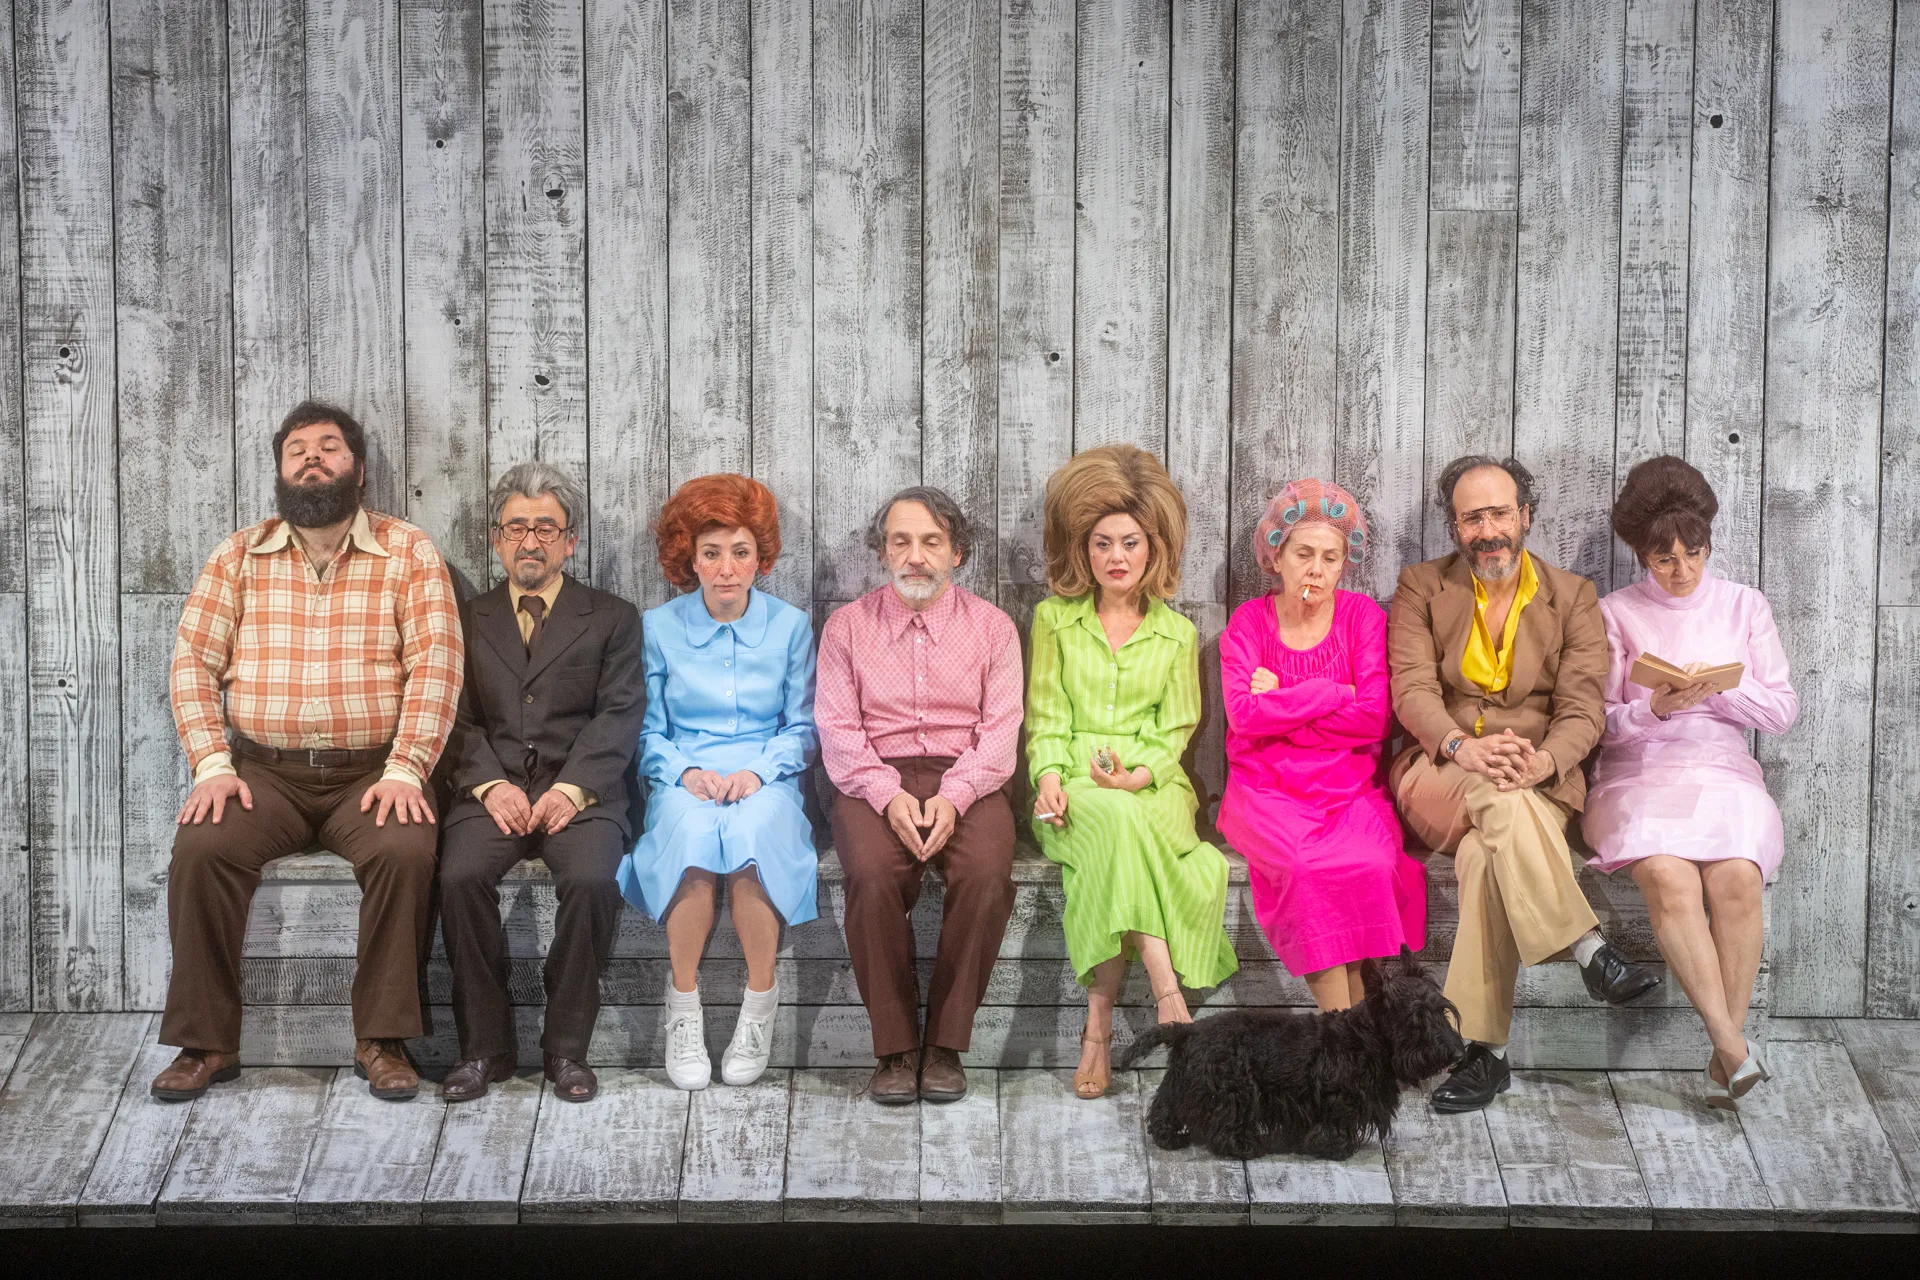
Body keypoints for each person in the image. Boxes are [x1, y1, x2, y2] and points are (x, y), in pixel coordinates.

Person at [153, 401, 463, 1103]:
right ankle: (206, 1044)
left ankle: (383, 1041)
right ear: (281, 470)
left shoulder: (408, 551)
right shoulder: (237, 555)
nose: (312, 458)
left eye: (329, 447)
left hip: (374, 773)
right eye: (298, 449)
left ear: (358, 473)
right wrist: (211, 764)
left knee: (406, 850)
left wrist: (407, 767)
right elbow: (192, 663)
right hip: (264, 773)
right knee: (202, 848)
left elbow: (436, 665)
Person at [1388, 455, 1660, 1113]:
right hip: (1439, 771)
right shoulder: (1421, 587)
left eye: (1499, 513)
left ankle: (1486, 1054)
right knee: (1490, 793)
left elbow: (1581, 711)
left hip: (1534, 782)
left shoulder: (1573, 597)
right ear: (1455, 527)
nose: (1489, 530)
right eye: (1472, 516)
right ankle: (1587, 945)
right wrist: (1462, 746)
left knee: (1488, 853)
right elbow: (1412, 688)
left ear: (1525, 516)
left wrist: (1542, 764)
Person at [1027, 444, 1237, 1102]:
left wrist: (1138, 776)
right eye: (1101, 544)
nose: (1116, 557)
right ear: (1081, 550)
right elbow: (1045, 717)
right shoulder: (1054, 620)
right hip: (1077, 788)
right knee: (1112, 822)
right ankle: (1166, 989)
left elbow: (1175, 728)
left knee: (1125, 823)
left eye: (1130, 543)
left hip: (1154, 786)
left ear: (1155, 548)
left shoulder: (1176, 634)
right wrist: (1049, 778)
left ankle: (1098, 1028)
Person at [1586, 456, 1797, 1109]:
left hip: (1723, 767)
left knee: (1737, 877)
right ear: (1640, 554)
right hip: (1637, 774)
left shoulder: (1744, 605)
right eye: (1664, 560)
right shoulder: (1613, 612)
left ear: (1708, 544)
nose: (1682, 572)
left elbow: (1783, 711)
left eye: (1694, 555)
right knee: (1671, 876)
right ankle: (1732, 1048)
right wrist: (1658, 707)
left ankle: (1724, 1052)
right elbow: (1595, 722)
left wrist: (1718, 693)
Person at [436, 463, 645, 1105]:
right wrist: (487, 785)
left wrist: (573, 789)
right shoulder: (464, 617)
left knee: (591, 881)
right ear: (497, 539)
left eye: (546, 528)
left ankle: (565, 1049)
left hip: (580, 794)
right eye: (517, 527)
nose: (531, 541)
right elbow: (452, 715)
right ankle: (485, 1048)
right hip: (490, 790)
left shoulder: (611, 616)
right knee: (458, 878)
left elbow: (620, 712)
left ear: (570, 540)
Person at [817, 488, 1023, 1105]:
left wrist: (955, 795)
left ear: (957, 552)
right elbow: (837, 729)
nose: (916, 556)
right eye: (901, 541)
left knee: (987, 872)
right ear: (881, 552)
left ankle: (945, 1046)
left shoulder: (993, 628)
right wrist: (886, 794)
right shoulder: (847, 627)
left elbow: (1002, 730)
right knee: (874, 873)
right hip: (871, 776)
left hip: (971, 776)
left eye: (931, 541)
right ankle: (896, 1047)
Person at [616, 474, 818, 1092]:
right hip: (686, 774)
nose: (727, 569)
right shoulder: (655, 628)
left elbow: (806, 726)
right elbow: (648, 732)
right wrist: (686, 774)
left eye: (740, 552)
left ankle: (760, 1003)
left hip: (768, 775)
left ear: (761, 557)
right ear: (689, 559)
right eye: (711, 553)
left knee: (755, 835)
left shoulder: (791, 627)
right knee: (691, 837)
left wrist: (759, 771)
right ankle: (683, 1009)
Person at [1218, 479, 1426, 1011]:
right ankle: (1346, 1027)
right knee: (1304, 869)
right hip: (1267, 791)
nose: (1316, 569)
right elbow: (1243, 716)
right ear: (1277, 556)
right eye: (1304, 554)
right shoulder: (1248, 622)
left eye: (1330, 558)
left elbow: (1375, 719)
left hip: (1348, 789)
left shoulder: (1362, 618)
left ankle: (1351, 1031)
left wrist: (1282, 701)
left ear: (1343, 564)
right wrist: (1332, 693)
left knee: (1371, 863)